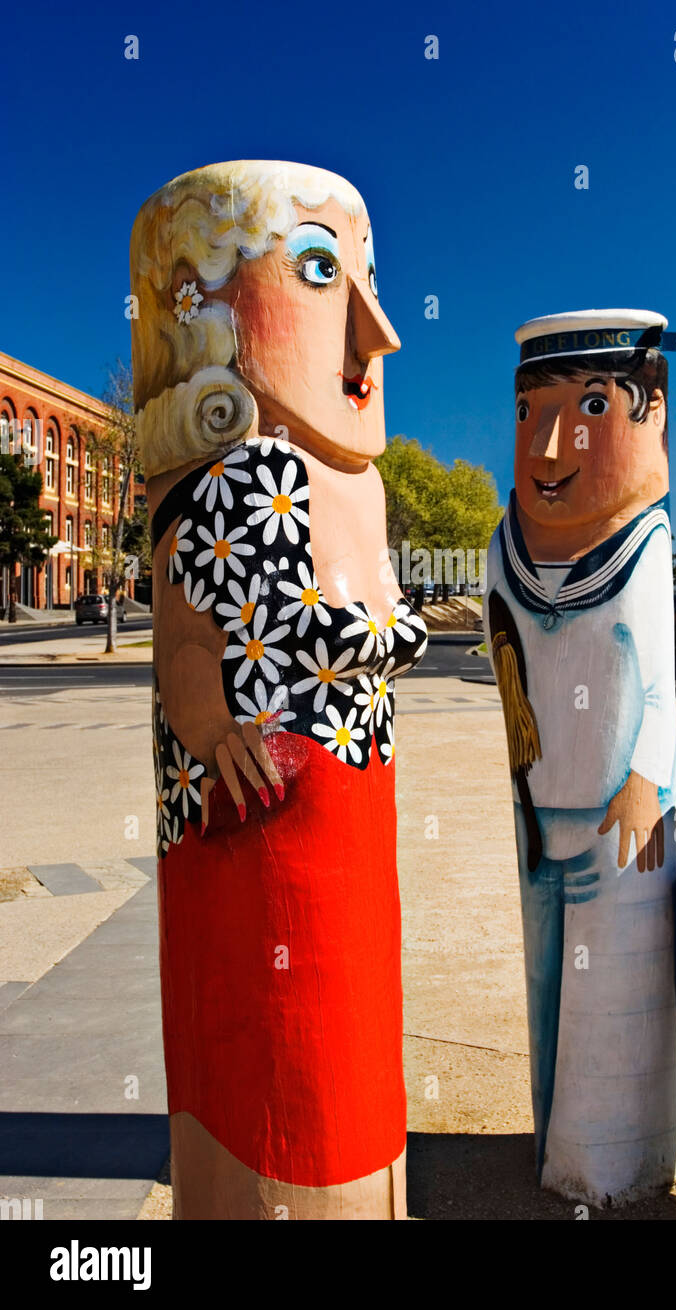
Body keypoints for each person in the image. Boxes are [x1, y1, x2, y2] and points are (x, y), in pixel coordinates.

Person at [131, 160, 427, 1219]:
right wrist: (210, 730)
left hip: (352, 806)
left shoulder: (366, 483)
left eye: (368, 277)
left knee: (351, 1026)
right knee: (275, 1043)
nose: (374, 331)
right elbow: (185, 640)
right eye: (317, 272)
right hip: (258, 826)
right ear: (199, 307)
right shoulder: (231, 476)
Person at [483, 309, 676, 1206]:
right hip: (536, 815)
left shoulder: (645, 546)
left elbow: (654, 685)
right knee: (547, 993)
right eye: (533, 412)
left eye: (593, 407)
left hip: (619, 821)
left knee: (616, 1008)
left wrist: (645, 779)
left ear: (653, 415)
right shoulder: (502, 550)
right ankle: (554, 1149)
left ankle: (608, 1162)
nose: (553, 447)